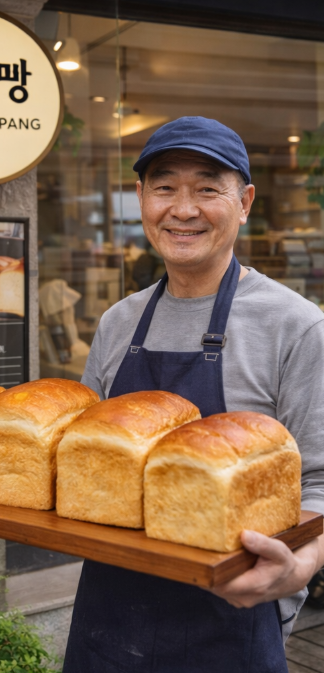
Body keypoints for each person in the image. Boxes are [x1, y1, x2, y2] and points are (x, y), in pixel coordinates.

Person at [66, 116, 324, 672]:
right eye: (165, 187)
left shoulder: (295, 325)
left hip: (230, 623)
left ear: (244, 202)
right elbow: (83, 463)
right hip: (106, 621)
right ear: (141, 198)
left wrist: (297, 571)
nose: (183, 210)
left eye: (208, 189)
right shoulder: (118, 322)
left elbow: (320, 482)